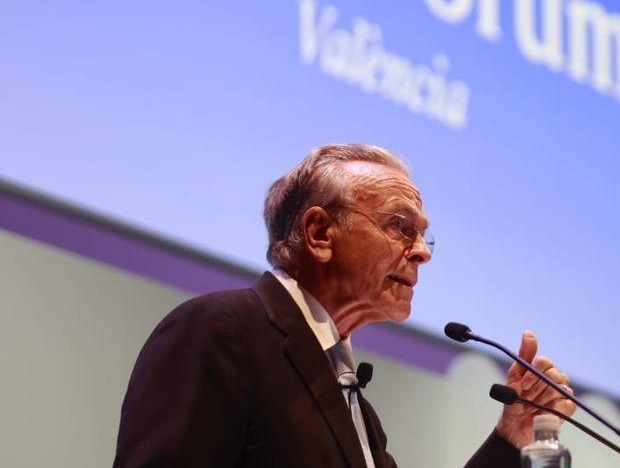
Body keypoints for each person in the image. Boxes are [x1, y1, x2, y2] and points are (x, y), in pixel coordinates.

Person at [113, 143, 575, 467]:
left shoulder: (354, 403)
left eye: (423, 234)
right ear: (319, 234)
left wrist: (509, 437)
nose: (423, 251)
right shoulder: (221, 331)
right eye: (400, 226)